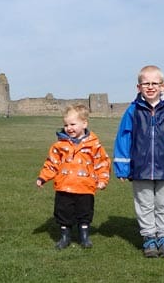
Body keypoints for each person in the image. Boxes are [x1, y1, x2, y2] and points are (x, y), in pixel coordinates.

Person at [113, 65, 164, 258]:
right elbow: (124, 137)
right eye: (145, 83)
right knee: (145, 204)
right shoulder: (132, 111)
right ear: (138, 87)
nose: (150, 87)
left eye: (154, 83)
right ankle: (149, 237)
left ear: (163, 86)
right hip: (140, 166)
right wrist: (122, 166)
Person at [35, 104, 111, 249]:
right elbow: (52, 163)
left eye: (73, 124)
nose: (69, 128)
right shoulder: (59, 145)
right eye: (66, 125)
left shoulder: (94, 145)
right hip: (64, 186)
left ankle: (84, 236)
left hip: (85, 186)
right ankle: (65, 237)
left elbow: (102, 162)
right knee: (63, 213)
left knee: (84, 213)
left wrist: (102, 180)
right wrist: (43, 177)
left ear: (84, 124)